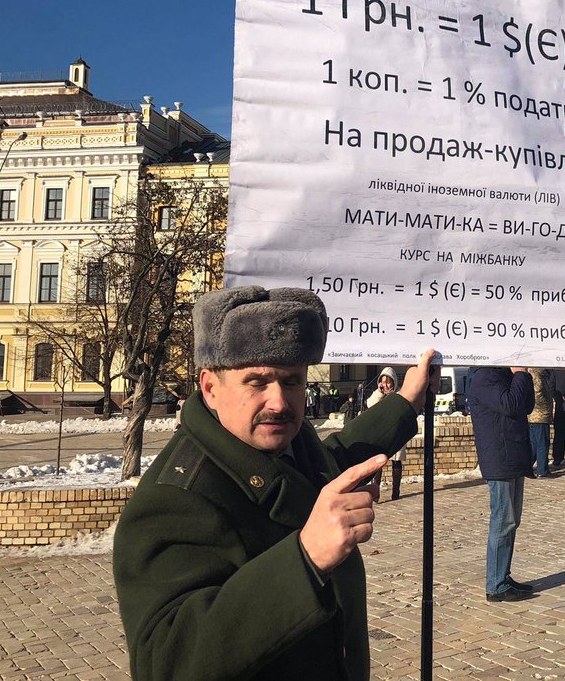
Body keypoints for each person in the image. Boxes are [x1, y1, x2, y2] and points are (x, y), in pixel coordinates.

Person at [113, 286, 436, 681]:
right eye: (257, 381)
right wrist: (306, 558)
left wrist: (406, 400)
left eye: (292, 381)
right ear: (210, 388)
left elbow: (333, 458)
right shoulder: (178, 496)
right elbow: (164, 661)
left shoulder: (288, 441)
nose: (280, 402)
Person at [469, 365, 536, 602]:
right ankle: (496, 585)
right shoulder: (485, 376)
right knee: (502, 520)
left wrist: (523, 376)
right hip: (500, 457)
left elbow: (526, 406)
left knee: (512, 520)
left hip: (513, 455)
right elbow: (510, 405)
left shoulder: (504, 375)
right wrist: (519, 374)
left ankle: (503, 576)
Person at [366, 367, 407, 501]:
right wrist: (379, 392)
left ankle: (396, 492)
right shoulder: (378, 395)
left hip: (396, 434)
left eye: (388, 382)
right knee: (378, 463)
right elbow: (370, 404)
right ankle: (375, 492)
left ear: (393, 382)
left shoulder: (399, 394)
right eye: (383, 381)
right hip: (381, 434)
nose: (385, 385)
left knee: (396, 462)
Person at [526, 367, 554, 478]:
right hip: (540, 415)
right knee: (542, 443)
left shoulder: (532, 374)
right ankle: (542, 470)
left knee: (534, 444)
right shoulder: (537, 375)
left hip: (534, 416)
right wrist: (546, 406)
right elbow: (537, 394)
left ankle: (527, 467)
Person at [551, 385, 565, 469]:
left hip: (560, 407)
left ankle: (557, 458)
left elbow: (551, 387)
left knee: (559, 435)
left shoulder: (555, 372)